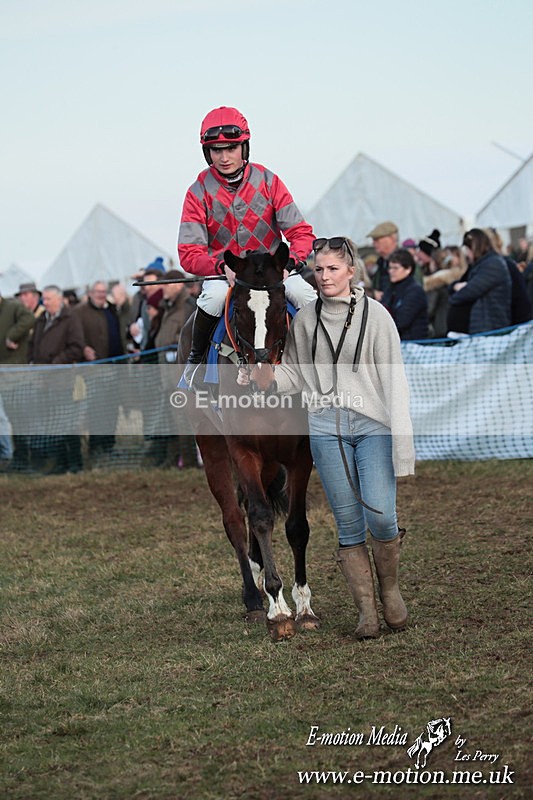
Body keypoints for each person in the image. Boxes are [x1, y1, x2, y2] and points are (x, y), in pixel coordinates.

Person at [243, 236, 415, 639]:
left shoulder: (377, 316)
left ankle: (390, 590)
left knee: (381, 515)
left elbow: (395, 383)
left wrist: (402, 446)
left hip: (372, 426)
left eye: (333, 269)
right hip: (325, 429)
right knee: (349, 525)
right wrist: (267, 377)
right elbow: (295, 375)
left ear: (351, 272)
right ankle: (367, 613)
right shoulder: (305, 320)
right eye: (318, 270)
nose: (324, 277)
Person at [178, 106, 316, 386]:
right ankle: (195, 362)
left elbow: (301, 233)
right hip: (226, 276)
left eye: (231, 148)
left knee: (306, 295)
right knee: (213, 298)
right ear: (208, 153)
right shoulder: (197, 192)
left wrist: (290, 264)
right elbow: (188, 253)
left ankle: (327, 366)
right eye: (216, 150)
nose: (224, 157)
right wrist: (221, 266)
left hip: (273, 275)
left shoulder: (269, 181)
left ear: (244, 147)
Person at [29, 285, 85, 473]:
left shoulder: (70, 319)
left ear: (59, 299)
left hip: (62, 380)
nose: (45, 302)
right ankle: (60, 462)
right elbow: (34, 344)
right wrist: (33, 362)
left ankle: (75, 463)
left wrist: (56, 362)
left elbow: (77, 347)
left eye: (48, 299)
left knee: (67, 422)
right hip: (43, 381)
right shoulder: (41, 320)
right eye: (43, 299)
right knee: (53, 423)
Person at [73, 280, 125, 458]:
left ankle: (109, 445)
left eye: (104, 292)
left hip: (115, 367)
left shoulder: (110, 309)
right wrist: (83, 348)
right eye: (98, 292)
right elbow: (75, 336)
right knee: (97, 409)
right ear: (90, 293)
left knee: (112, 408)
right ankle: (96, 448)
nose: (101, 295)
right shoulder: (79, 312)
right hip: (95, 369)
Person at [448, 229, 512, 335]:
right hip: (481, 329)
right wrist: (455, 287)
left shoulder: (493, 264)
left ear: (476, 247)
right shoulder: (479, 266)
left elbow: (469, 292)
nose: (467, 254)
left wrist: (455, 294)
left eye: (468, 249)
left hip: (489, 330)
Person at [381, 248, 429, 340]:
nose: (391, 271)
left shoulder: (415, 291)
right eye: (390, 267)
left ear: (408, 269)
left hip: (413, 344)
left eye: (395, 268)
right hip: (395, 340)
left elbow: (402, 321)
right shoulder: (391, 289)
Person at [366, 221, 399, 301]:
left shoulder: (405, 262)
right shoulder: (381, 263)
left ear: (392, 239)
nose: (373, 243)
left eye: (377, 239)